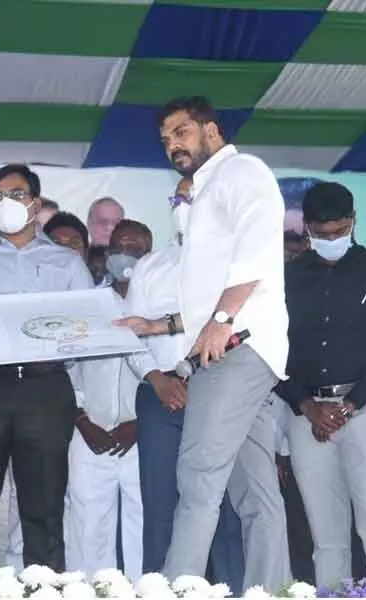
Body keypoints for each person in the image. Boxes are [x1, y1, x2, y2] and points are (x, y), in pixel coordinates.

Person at [117, 96, 290, 591]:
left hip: (236, 347)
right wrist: (160, 326)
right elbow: (206, 295)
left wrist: (220, 319)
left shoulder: (242, 172)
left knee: (196, 478)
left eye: (182, 133)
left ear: (211, 131)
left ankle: (177, 588)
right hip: (229, 345)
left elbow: (257, 255)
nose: (173, 145)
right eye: (166, 140)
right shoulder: (204, 194)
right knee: (254, 491)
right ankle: (270, 589)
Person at [0, 163, 93, 572]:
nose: (4, 204)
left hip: (44, 390)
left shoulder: (67, 262)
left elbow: (88, 329)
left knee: (43, 511)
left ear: (36, 203)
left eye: (15, 194)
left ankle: (45, 588)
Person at [278, 182, 366, 588]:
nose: (332, 239)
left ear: (354, 222)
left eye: (339, 231)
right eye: (322, 233)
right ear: (306, 227)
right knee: (326, 536)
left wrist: (348, 405)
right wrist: (305, 404)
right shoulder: (287, 277)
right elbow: (273, 349)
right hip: (307, 417)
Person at [125, 176, 246, 593]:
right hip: (160, 397)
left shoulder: (237, 267)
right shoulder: (150, 265)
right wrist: (156, 378)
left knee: (226, 506)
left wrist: (204, 380)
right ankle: (159, 590)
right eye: (180, 198)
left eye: (194, 197)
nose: (186, 204)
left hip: (222, 395)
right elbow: (130, 334)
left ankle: (232, 588)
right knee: (161, 506)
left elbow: (244, 329)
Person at [58, 219, 148, 580]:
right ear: (107, 252)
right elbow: (67, 370)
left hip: (143, 435)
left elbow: (173, 373)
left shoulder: (163, 308)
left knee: (143, 523)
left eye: (139, 249)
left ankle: (146, 589)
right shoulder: (88, 305)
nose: (129, 254)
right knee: (86, 524)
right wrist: (81, 421)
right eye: (123, 246)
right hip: (88, 432)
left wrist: (141, 423)